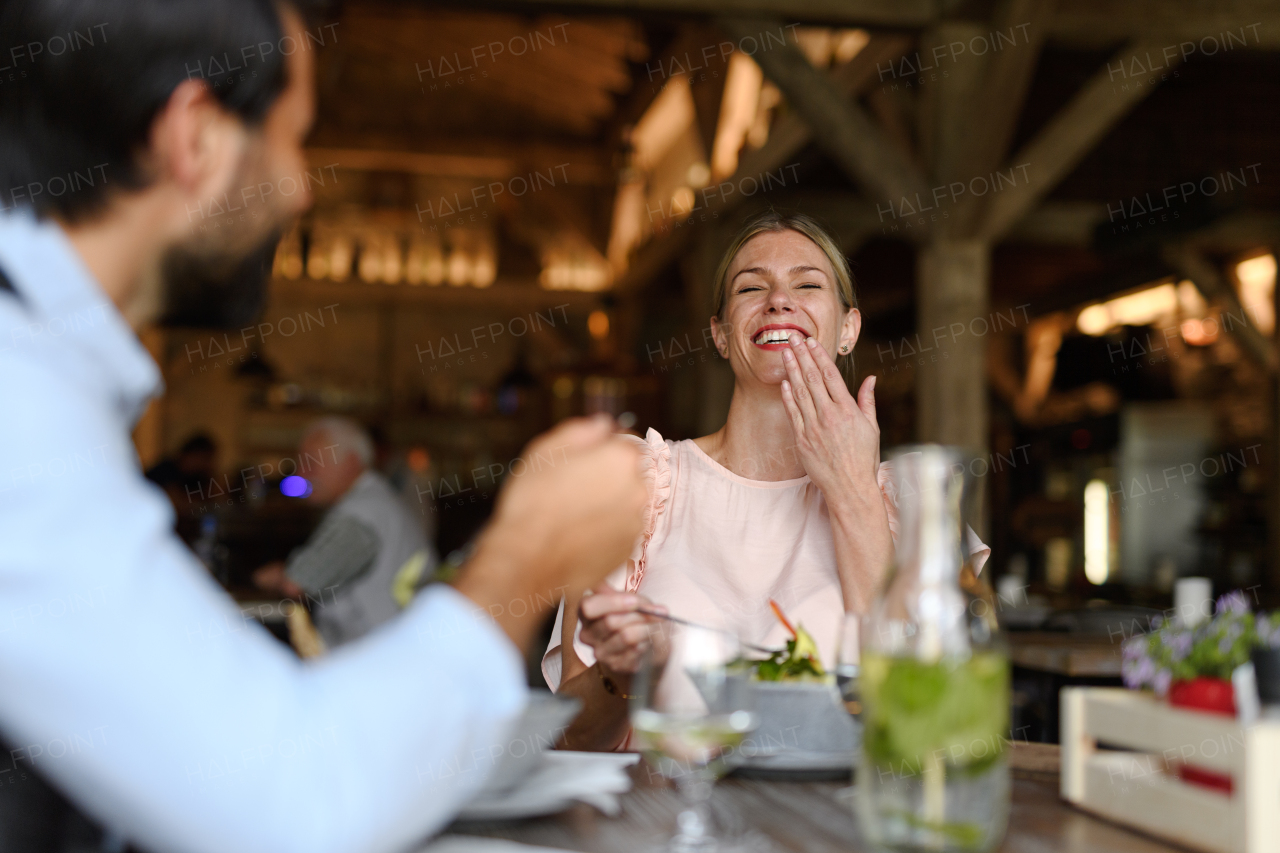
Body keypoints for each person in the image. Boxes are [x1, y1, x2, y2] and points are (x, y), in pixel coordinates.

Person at [0, 2, 646, 853]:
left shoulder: (50, 373)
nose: (303, 188)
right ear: (194, 136)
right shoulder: (22, 402)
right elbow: (287, 802)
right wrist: (527, 558)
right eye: (291, 142)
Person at [544, 212, 990, 750]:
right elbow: (573, 742)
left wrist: (854, 492)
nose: (779, 300)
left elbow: (932, 726)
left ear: (848, 330)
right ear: (722, 335)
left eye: (807, 284)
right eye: (752, 287)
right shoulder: (630, 486)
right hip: (666, 824)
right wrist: (623, 674)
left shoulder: (914, 504)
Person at [253, 417, 439, 648]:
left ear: (351, 462)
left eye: (311, 463)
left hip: (373, 658)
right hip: (390, 649)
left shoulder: (363, 511)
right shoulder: (376, 499)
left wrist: (275, 575)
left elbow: (300, 581)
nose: (301, 473)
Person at [144, 432, 220, 515]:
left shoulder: (200, 477)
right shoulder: (165, 470)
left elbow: (210, 502)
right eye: (205, 459)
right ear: (192, 454)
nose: (207, 464)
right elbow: (169, 500)